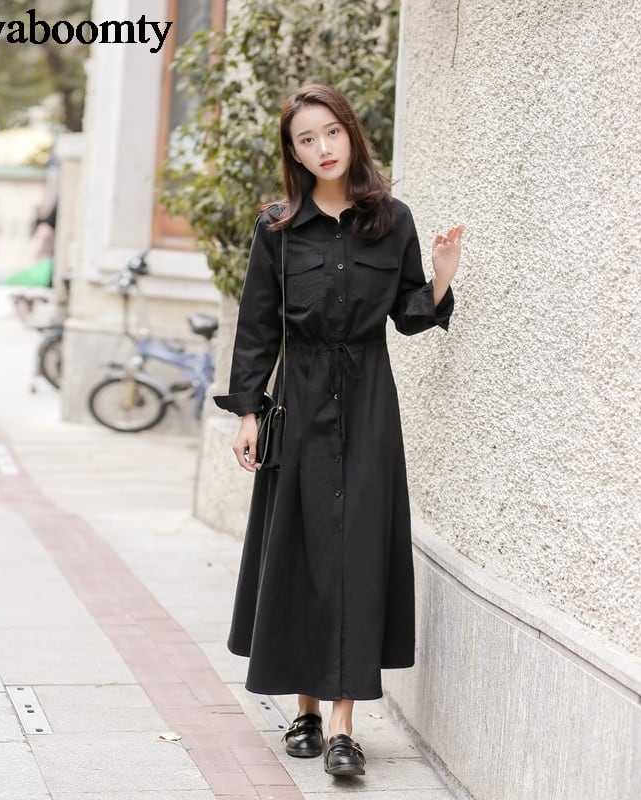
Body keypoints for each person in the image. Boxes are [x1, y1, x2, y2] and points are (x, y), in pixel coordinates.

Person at [213, 84, 464, 778]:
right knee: (301, 546)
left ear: (350, 134)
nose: (322, 147)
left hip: (369, 399)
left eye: (331, 132)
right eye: (306, 139)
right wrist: (248, 413)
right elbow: (257, 325)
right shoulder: (276, 228)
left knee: (356, 550)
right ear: (293, 153)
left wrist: (441, 278)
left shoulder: (392, 219)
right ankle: (306, 710)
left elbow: (408, 316)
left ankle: (345, 726)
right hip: (298, 400)